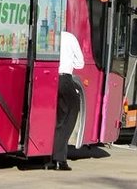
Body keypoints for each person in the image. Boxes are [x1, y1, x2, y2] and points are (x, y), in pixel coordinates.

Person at [49, 29, 84, 171]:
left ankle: (53, 158)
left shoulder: (48, 35)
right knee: (72, 113)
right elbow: (80, 63)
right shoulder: (70, 37)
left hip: (49, 78)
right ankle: (58, 159)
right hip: (64, 78)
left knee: (58, 119)